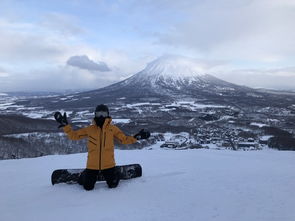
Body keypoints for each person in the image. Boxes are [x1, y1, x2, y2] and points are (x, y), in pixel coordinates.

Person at [54, 104, 150, 191]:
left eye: (103, 114)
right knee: (88, 187)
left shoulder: (112, 129)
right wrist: (66, 126)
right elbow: (74, 136)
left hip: (108, 164)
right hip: (92, 165)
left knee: (113, 185)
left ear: (107, 115)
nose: (101, 116)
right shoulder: (90, 129)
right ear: (95, 115)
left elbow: (124, 139)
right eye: (99, 114)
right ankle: (83, 175)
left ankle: (115, 172)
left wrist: (137, 137)